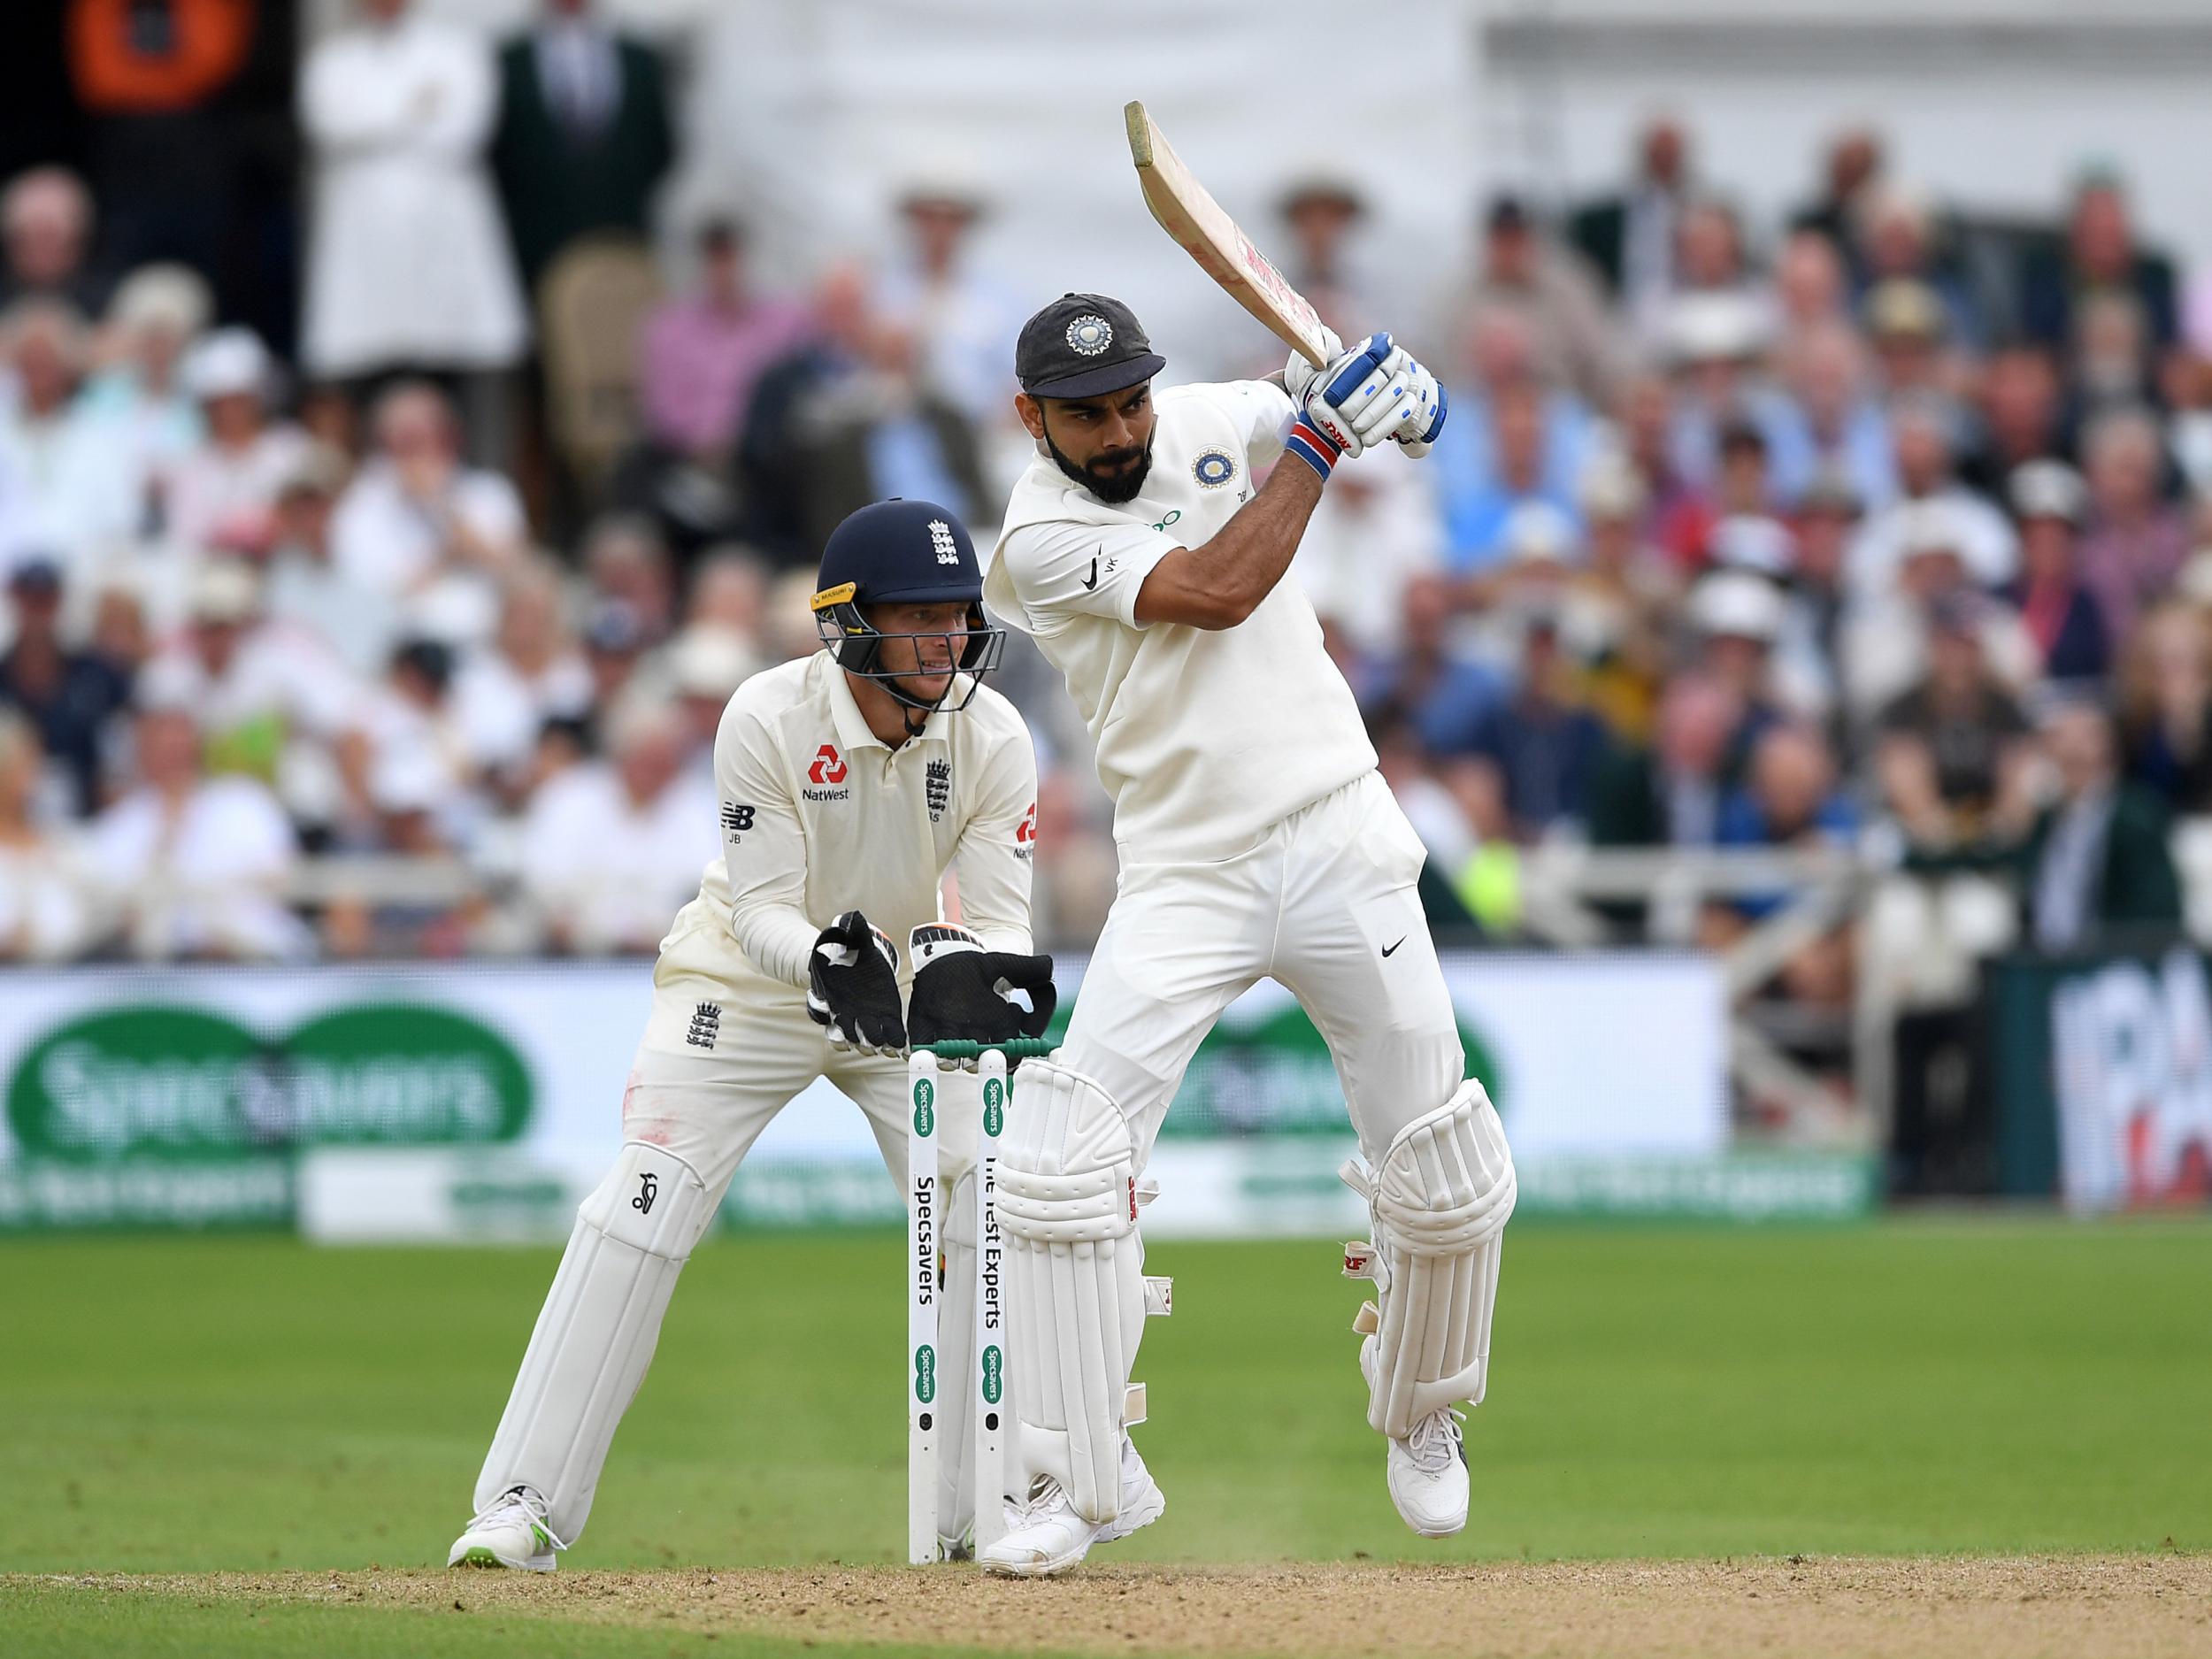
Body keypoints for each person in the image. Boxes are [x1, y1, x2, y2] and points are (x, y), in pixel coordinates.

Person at [979, 293, 1509, 1574]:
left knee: (1438, 1158)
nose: (1117, 431)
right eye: (1086, 413)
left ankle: (1423, 1409)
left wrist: (1403, 398)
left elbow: (1387, 421)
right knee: (1062, 1156)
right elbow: (1216, 588)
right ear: (1030, 417)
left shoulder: (1214, 416)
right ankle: (1076, 1470)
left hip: (1336, 824)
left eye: (1128, 403)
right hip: (1187, 864)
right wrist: (1322, 444)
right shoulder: (1036, 537)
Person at [448, 498, 1049, 1571]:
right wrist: (825, 959)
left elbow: (1001, 920)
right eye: (919, 620)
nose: (948, 644)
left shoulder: (994, 734)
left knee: (989, 1197)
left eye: (957, 619)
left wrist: (965, 978)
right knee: (643, 1200)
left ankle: (981, 1515)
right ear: (850, 624)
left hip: (904, 987)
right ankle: (521, 1507)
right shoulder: (765, 715)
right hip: (751, 979)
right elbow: (762, 909)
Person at [298, 0, 527, 397]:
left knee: (451, 359)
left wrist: (371, 121)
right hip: (365, 231)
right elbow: (330, 126)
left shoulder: (458, 49)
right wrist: (415, 108)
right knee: (369, 366)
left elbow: (463, 130)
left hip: (442, 226)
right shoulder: (332, 59)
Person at [489, 0, 674, 294]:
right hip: (538, 242)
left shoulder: (640, 59)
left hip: (623, 232)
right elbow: (500, 155)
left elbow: (661, 145)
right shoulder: (508, 62)